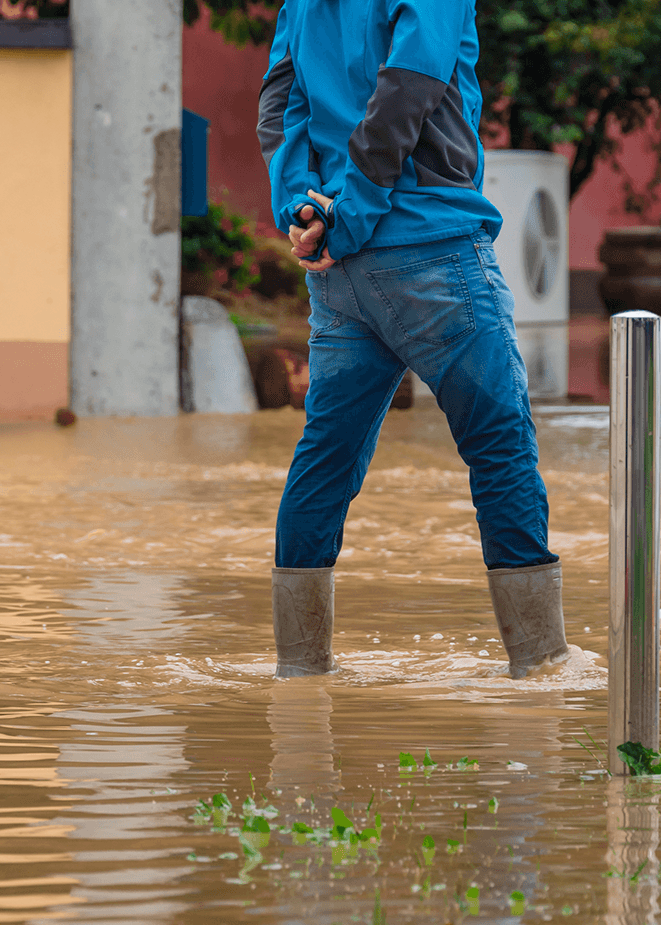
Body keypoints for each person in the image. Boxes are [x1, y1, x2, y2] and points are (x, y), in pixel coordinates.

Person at [256, 0, 566, 679]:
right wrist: (354, 216)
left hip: (339, 271)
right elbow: (411, 86)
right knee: (500, 447)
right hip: (429, 250)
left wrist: (302, 210)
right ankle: (543, 673)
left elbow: (280, 101)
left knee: (327, 456)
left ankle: (301, 677)